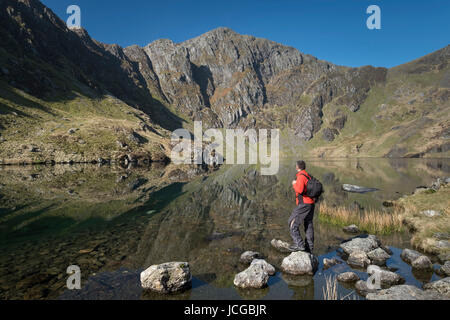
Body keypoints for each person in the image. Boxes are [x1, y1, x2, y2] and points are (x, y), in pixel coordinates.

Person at [288, 160, 315, 253]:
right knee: (308, 224)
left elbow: (299, 190)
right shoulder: (308, 175)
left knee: (292, 222)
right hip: (311, 203)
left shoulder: (300, 176)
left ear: (297, 167)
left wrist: (294, 184)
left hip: (304, 204)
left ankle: (299, 244)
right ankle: (309, 247)